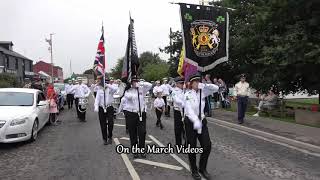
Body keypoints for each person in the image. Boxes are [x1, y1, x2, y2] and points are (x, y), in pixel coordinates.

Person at [184, 73, 219, 180]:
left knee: (207, 145)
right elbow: (189, 111)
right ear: (190, 83)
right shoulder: (187, 95)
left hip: (202, 121)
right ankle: (194, 170)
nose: (197, 83)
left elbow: (216, 88)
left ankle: (202, 168)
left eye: (198, 81)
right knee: (192, 147)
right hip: (191, 122)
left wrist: (205, 85)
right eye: (195, 82)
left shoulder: (203, 92)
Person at [122, 76, 152, 159]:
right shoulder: (128, 90)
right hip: (131, 114)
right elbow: (128, 97)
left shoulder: (142, 89)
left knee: (142, 132)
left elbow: (150, 85)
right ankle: (135, 150)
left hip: (141, 114)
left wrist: (141, 83)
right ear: (131, 83)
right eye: (134, 81)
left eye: (136, 81)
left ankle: (142, 149)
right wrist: (133, 89)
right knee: (133, 133)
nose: (135, 83)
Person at [94, 78, 118, 145]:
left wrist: (108, 85)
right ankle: (104, 139)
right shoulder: (100, 90)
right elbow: (97, 99)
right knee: (103, 125)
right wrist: (96, 107)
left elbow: (115, 89)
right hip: (101, 108)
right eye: (104, 83)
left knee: (111, 123)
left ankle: (110, 136)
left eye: (106, 83)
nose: (104, 84)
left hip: (109, 107)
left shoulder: (111, 89)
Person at [171, 76, 186, 146]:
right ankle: (178, 144)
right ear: (177, 84)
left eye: (183, 83)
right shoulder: (174, 91)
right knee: (178, 128)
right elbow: (177, 100)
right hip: (178, 111)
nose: (182, 84)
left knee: (186, 128)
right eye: (180, 83)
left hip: (185, 111)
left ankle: (187, 144)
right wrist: (185, 103)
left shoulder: (185, 90)